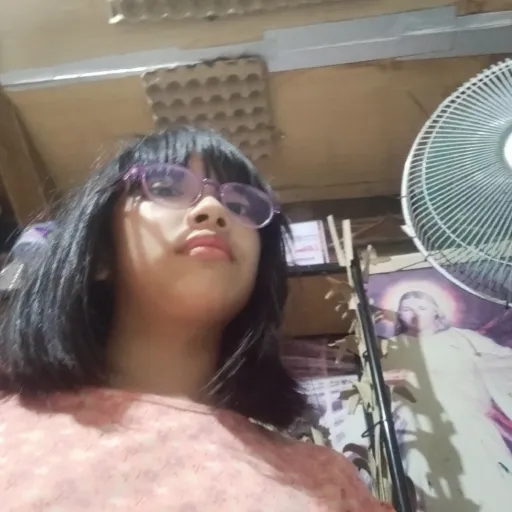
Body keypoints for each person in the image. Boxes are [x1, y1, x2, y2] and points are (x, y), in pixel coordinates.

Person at [0, 127, 393, 511]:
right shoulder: (11, 427)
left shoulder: (325, 479)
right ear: (100, 253)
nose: (214, 210)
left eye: (242, 206)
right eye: (167, 187)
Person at [385, 290, 512, 512]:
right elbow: (375, 382)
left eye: (422, 308)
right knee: (425, 486)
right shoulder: (391, 347)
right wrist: (399, 377)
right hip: (416, 428)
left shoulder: (464, 339)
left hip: (467, 424)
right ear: (400, 315)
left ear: (436, 311)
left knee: (483, 485)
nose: (415, 314)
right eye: (407, 309)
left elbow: (502, 363)